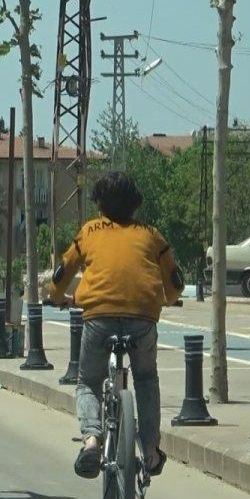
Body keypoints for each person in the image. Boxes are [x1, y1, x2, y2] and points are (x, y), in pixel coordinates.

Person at [46, 171, 184, 479]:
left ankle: (92, 440)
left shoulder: (90, 231)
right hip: (143, 317)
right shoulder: (151, 234)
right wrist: (169, 299)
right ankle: (150, 451)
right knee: (146, 379)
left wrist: (56, 297)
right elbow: (174, 280)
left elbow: (62, 272)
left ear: (99, 205)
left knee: (88, 382)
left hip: (98, 317)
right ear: (135, 204)